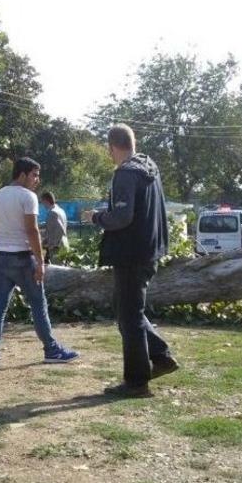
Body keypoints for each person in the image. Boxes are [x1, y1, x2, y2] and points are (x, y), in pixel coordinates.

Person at [83, 124, 177, 398]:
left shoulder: (125, 173)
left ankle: (137, 382)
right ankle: (161, 357)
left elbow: (123, 217)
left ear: (112, 147)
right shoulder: (149, 166)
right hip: (149, 250)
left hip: (131, 254)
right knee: (126, 310)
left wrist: (96, 217)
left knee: (130, 317)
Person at [0, 158, 79, 370]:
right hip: (23, 258)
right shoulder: (28, 196)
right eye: (34, 175)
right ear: (22, 174)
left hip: (1, 257)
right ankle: (51, 350)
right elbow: (32, 230)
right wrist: (40, 262)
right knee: (38, 304)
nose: (37, 180)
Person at [39, 191, 68, 263]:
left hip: (56, 248)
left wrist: (51, 245)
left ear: (46, 201)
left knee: (58, 268)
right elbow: (53, 229)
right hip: (64, 244)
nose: (43, 205)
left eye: (42, 202)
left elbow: (58, 230)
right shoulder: (61, 210)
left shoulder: (52, 213)